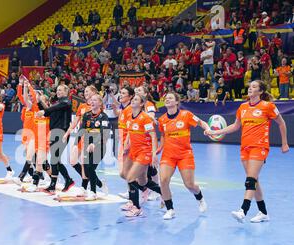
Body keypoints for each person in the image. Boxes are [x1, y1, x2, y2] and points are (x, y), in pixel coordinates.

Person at [206, 80, 289, 223]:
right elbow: (235, 126)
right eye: (250, 87)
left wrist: (284, 143)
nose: (250, 89)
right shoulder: (243, 107)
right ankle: (263, 213)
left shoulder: (268, 106)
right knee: (254, 179)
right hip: (245, 147)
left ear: (261, 91)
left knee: (250, 180)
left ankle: (243, 210)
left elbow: (281, 123)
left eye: (254, 87)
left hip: (260, 146)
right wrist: (216, 132)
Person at [157, 92, 209, 220]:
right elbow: (163, 135)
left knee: (189, 184)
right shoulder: (162, 119)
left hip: (184, 155)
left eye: (170, 98)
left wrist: (207, 129)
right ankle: (170, 209)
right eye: (166, 98)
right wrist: (159, 148)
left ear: (176, 102)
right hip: (168, 155)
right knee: (163, 180)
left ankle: (200, 198)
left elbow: (201, 123)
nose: (167, 99)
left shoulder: (186, 115)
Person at [120, 94, 160, 217]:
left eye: (136, 99)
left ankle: (136, 207)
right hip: (133, 151)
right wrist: (126, 145)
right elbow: (129, 133)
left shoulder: (145, 118)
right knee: (141, 181)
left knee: (131, 178)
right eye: (132, 99)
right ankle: (164, 192)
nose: (132, 101)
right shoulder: (130, 117)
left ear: (142, 104)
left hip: (144, 152)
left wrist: (154, 154)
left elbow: (153, 136)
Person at [63, 85, 106, 194]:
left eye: (87, 91)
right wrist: (67, 133)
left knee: (84, 163)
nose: (85, 93)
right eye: (85, 91)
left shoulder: (97, 106)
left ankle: (84, 186)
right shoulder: (82, 106)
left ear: (94, 92)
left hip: (91, 137)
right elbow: (75, 122)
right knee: (72, 161)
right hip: (80, 135)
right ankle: (98, 182)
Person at [36, 84, 74, 194]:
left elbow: (53, 108)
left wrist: (45, 110)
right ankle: (67, 180)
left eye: (61, 90)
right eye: (57, 90)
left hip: (62, 133)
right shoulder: (57, 104)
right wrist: (39, 101)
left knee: (54, 159)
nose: (58, 92)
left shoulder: (66, 102)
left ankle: (54, 185)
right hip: (54, 133)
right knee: (55, 159)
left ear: (66, 92)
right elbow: (48, 111)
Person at [79, 94, 110, 200]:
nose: (92, 102)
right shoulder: (86, 115)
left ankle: (93, 192)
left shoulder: (104, 117)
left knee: (91, 168)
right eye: (91, 100)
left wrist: (94, 143)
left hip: (100, 146)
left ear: (100, 103)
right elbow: (81, 130)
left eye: (95, 100)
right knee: (87, 170)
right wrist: (75, 144)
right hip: (88, 146)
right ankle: (101, 184)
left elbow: (104, 133)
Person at [15, 76, 38, 184]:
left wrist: (27, 85)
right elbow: (21, 95)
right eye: (28, 96)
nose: (29, 97)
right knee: (33, 157)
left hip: (34, 134)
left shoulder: (35, 107)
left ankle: (21, 176)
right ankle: (37, 175)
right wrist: (20, 84)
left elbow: (30, 95)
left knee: (30, 156)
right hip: (26, 134)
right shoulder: (25, 108)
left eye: (30, 96)